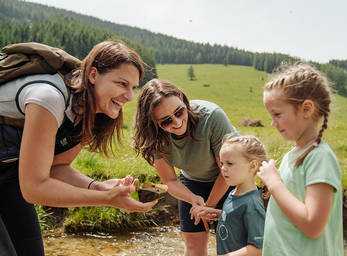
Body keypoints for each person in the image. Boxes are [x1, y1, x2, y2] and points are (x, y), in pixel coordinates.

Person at [0, 40, 158, 256]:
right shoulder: (49, 98)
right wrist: (106, 200)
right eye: (122, 84)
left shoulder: (87, 112)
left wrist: (98, 187)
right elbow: (34, 188)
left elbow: (57, 166)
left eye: (133, 87)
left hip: (8, 174)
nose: (129, 96)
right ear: (93, 75)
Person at [133, 78, 238, 256]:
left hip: (232, 178)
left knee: (232, 245)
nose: (176, 122)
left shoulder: (212, 116)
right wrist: (192, 198)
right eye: (166, 121)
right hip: (192, 181)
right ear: (153, 122)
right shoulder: (154, 137)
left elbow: (228, 172)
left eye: (179, 112)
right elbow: (170, 181)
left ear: (182, 98)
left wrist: (208, 207)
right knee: (193, 245)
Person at [258, 63, 344, 255]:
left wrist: (274, 183)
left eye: (277, 114)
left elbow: (312, 225)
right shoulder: (291, 155)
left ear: (306, 109)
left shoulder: (320, 158)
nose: (272, 123)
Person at [191, 134, 266, 256]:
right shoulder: (233, 193)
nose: (223, 169)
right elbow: (238, 221)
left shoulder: (252, 204)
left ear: (252, 166)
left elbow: (258, 249)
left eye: (230, 163)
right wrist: (220, 214)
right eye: (221, 164)